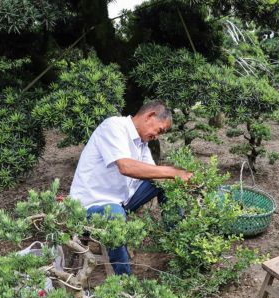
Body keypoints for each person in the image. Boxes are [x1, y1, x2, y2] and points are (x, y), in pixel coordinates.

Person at [70, 100, 192, 275]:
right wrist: (172, 171)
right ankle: (123, 281)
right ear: (150, 116)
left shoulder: (141, 143)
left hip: (120, 202)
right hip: (89, 208)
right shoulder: (113, 126)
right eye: (160, 130)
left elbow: (153, 175)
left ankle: (180, 246)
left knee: (164, 182)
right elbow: (125, 166)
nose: (157, 136)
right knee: (115, 213)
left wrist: (177, 177)